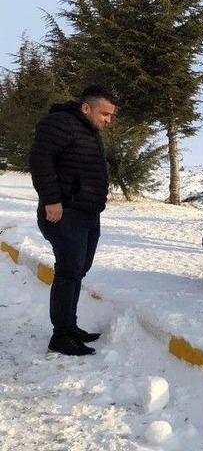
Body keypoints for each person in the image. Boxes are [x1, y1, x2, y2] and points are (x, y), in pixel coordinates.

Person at [30, 85, 116, 356]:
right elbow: (40, 160)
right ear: (86, 107)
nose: (108, 120)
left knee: (79, 269)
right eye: (104, 114)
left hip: (88, 214)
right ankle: (60, 336)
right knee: (69, 271)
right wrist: (52, 200)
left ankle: (70, 326)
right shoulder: (60, 123)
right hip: (65, 212)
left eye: (111, 116)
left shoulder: (89, 131)